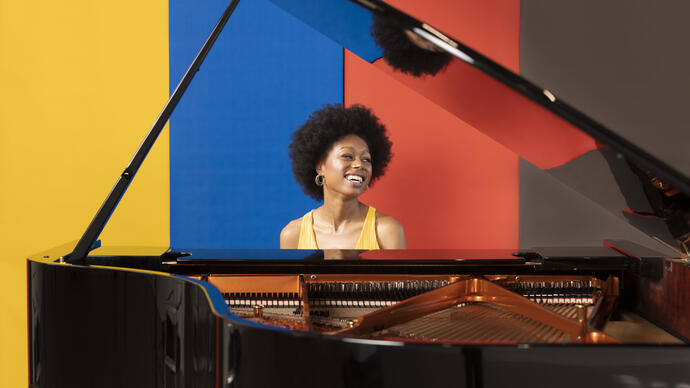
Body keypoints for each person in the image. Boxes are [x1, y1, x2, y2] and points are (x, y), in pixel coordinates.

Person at [280, 104, 406, 249]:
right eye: (347, 156)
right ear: (320, 166)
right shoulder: (293, 234)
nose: (360, 164)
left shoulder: (386, 230)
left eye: (366, 159)